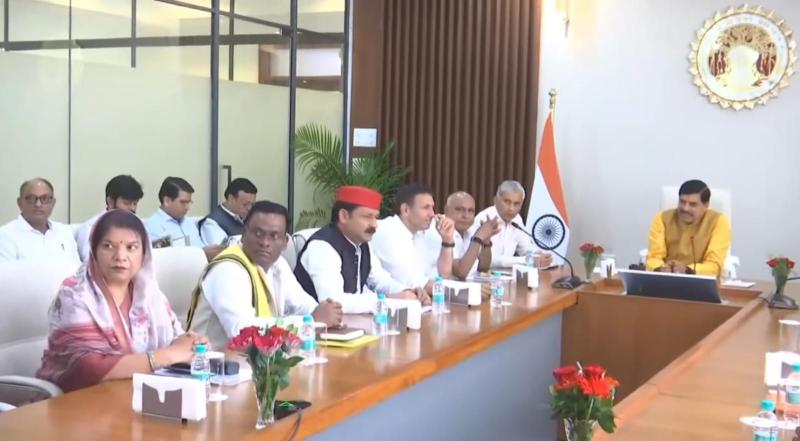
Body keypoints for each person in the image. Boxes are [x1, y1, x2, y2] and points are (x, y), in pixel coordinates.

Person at [37, 210, 206, 392]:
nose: (120, 256)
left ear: (144, 253)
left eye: (131, 247)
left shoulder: (150, 295)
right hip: (76, 400)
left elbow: (175, 341)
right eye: (108, 246)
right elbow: (87, 367)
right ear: (94, 250)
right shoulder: (75, 295)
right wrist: (168, 355)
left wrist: (192, 345)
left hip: (138, 395)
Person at [186, 200, 342, 350]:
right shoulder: (228, 268)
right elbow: (242, 332)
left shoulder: (278, 264)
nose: (265, 242)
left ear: (285, 242)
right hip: (213, 362)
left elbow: (304, 305)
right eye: (258, 233)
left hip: (261, 360)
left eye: (274, 236)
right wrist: (309, 322)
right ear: (244, 233)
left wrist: (327, 312)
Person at [294, 186, 428, 313]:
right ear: (344, 216)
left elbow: (380, 280)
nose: (374, 224)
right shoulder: (322, 247)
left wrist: (408, 292)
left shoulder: (361, 243)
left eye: (375, 217)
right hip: (311, 326)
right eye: (367, 217)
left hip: (352, 323)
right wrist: (386, 301)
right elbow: (334, 301)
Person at [371, 183, 455, 295]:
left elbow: (444, 275)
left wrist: (447, 240)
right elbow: (417, 284)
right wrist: (464, 292)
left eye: (432, 208)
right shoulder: (390, 232)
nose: (432, 214)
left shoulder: (421, 232)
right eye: (426, 208)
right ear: (405, 210)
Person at [646, 179, 731, 276]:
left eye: (693, 204)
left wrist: (688, 270)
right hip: (665, 278)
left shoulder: (718, 222)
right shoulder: (662, 218)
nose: (685, 208)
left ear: (706, 205)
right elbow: (654, 257)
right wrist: (660, 268)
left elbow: (714, 265)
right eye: (682, 202)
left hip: (700, 280)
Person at [473, 180, 552, 268]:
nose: (511, 208)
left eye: (516, 204)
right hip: (480, 273)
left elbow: (525, 249)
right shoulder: (484, 219)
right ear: (495, 200)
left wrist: (537, 255)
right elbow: (487, 259)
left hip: (505, 274)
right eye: (507, 202)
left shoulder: (517, 219)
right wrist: (526, 260)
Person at [0, 178, 79, 264]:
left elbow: (77, 268)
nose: (38, 204)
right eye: (31, 198)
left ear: (53, 203)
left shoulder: (65, 231)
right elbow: (6, 272)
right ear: (19, 203)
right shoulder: (5, 235)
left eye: (45, 198)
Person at [144, 176, 223, 260]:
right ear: (167, 201)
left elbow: (199, 246)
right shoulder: (152, 227)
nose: (188, 208)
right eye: (183, 202)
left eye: (189, 202)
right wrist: (202, 253)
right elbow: (164, 260)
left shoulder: (189, 222)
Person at [76, 175, 144, 262]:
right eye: (126, 203)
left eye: (135, 203)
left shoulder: (139, 227)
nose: (132, 208)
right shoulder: (91, 229)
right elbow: (90, 263)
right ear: (110, 202)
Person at [443, 191, 501, 280]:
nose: (466, 216)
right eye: (459, 209)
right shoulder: (442, 230)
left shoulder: (471, 229)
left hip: (472, 284)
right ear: (446, 211)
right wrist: (478, 238)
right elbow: (461, 273)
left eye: (470, 211)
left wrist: (486, 241)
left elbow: (483, 268)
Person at [199, 178, 257, 246]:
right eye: (245, 204)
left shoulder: (249, 218)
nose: (249, 208)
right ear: (231, 198)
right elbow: (221, 250)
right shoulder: (211, 223)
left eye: (252, 204)